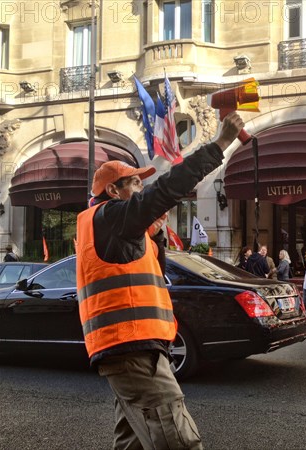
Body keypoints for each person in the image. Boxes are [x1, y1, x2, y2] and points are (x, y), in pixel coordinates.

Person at [75, 112, 244, 450]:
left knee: (134, 441)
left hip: (131, 348)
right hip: (132, 347)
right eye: (135, 184)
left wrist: (155, 234)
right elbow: (165, 190)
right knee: (178, 441)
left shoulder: (111, 225)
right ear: (113, 190)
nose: (142, 190)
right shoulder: (111, 216)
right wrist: (221, 143)